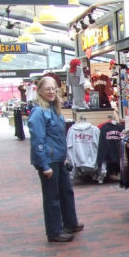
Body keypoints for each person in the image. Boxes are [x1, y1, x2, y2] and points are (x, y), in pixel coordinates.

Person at [28, 76, 84, 242]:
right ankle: (54, 231)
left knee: (66, 191)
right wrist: (44, 165)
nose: (51, 92)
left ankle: (70, 223)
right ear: (40, 91)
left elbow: (58, 137)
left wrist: (64, 157)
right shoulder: (38, 112)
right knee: (52, 197)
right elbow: (37, 140)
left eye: (54, 89)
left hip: (58, 158)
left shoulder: (54, 108)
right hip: (48, 159)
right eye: (47, 89)